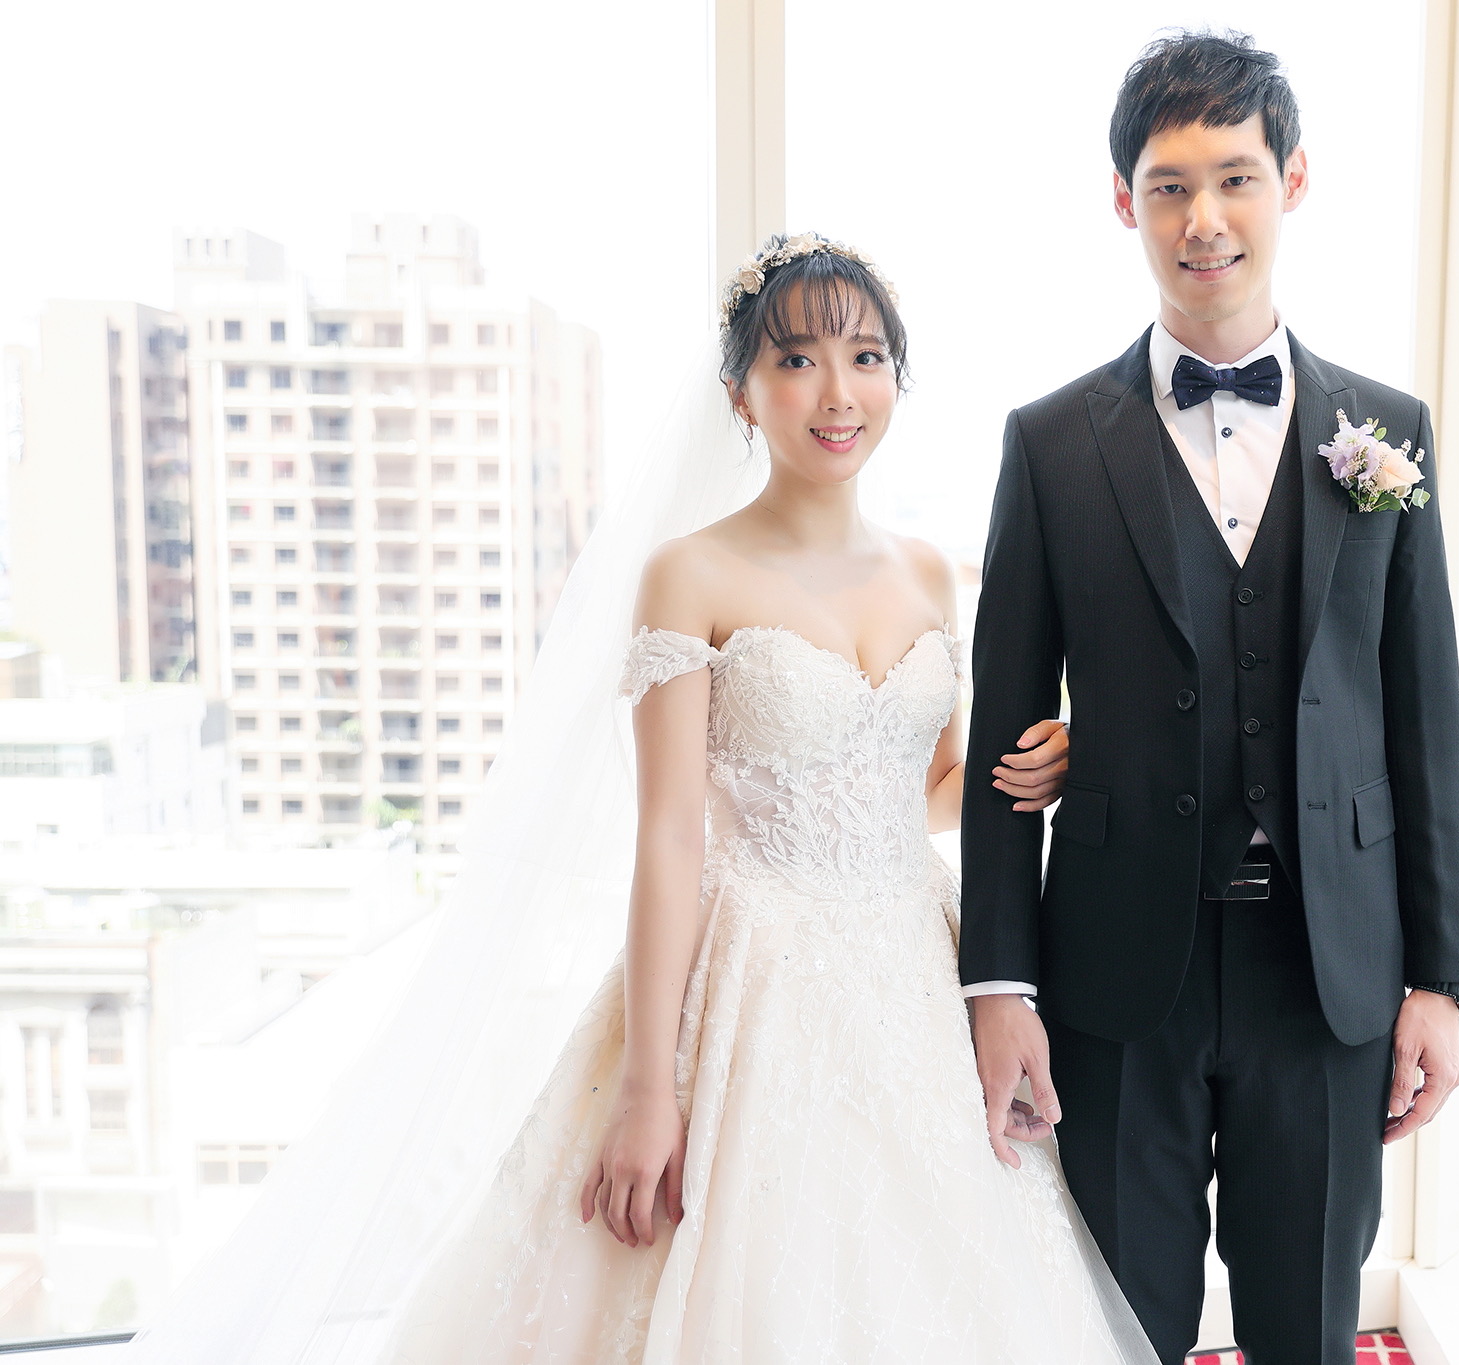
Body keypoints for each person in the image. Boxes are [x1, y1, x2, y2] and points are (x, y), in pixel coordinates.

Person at [358, 235, 1157, 1361]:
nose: (838, 393)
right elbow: (669, 837)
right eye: (796, 361)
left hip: (915, 970)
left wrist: (1044, 765)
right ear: (740, 392)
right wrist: (650, 1087)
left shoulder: (927, 571)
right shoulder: (690, 572)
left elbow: (930, 789)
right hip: (754, 974)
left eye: (866, 358)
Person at [961, 31, 1459, 1365]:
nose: (1203, 219)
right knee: (1112, 1327)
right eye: (1169, 186)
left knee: (1308, 1325)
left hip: (1329, 974)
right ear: (1122, 201)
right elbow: (1007, 731)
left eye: (1235, 178)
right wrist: (998, 985)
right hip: (1115, 970)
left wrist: (1441, 979)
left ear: (1292, 182)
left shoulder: (1387, 434)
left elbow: (1424, 722)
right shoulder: (1049, 445)